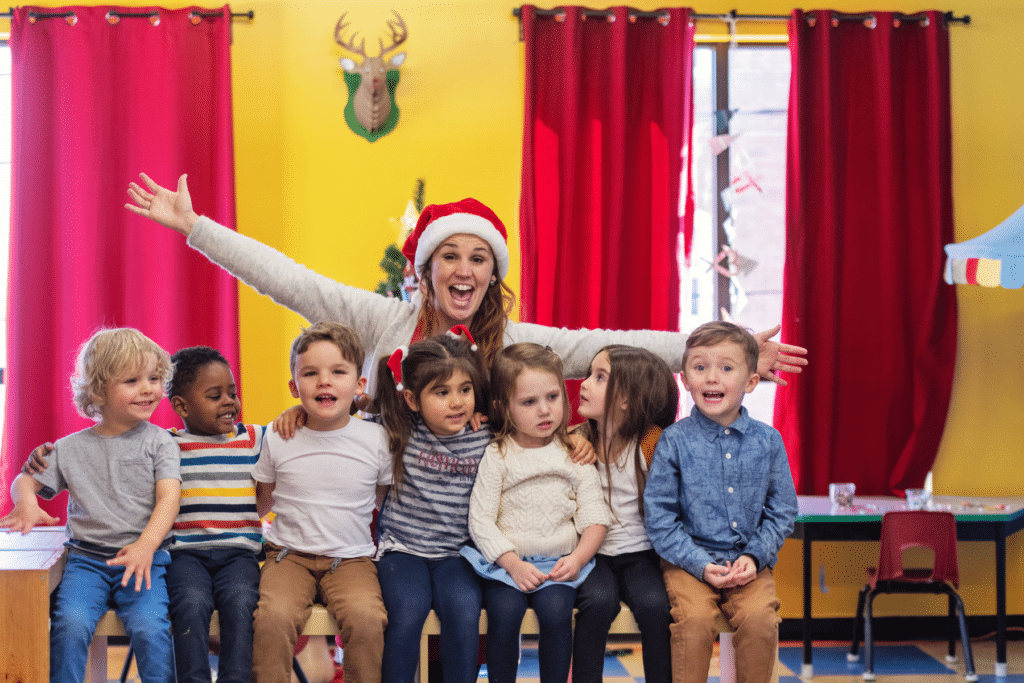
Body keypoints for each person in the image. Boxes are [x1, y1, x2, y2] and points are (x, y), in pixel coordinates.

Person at [124, 173, 808, 397]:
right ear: (425, 269)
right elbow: (288, 280)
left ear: (493, 273)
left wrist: (727, 348)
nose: (463, 269)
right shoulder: (381, 321)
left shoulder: (517, 342)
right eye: (448, 255)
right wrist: (197, 227)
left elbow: (612, 342)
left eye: (478, 258)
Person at [0, 328, 181, 683]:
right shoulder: (68, 448)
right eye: (132, 380)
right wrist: (26, 502)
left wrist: (146, 546)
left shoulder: (161, 443)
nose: (148, 388)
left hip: (143, 560)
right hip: (86, 562)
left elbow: (169, 498)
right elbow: (25, 479)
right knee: (70, 624)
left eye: (155, 378)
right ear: (98, 391)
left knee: (150, 628)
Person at [644, 321, 798, 683]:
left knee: (761, 621)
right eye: (700, 367)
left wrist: (754, 556)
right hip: (687, 563)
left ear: (750, 382)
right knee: (694, 622)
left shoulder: (769, 441)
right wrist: (698, 563)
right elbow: (659, 517)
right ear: (685, 379)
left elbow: (783, 511)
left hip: (749, 564)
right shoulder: (673, 442)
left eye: (726, 368)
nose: (712, 378)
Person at [252, 321, 391, 683]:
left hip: (351, 559)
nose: (324, 381)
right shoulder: (279, 436)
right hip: (288, 556)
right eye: (310, 373)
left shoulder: (375, 439)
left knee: (367, 618)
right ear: (294, 387)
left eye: (338, 372)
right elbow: (262, 502)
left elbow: (381, 500)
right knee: (271, 619)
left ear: (359, 385)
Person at [463, 343, 609, 683]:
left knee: (557, 614)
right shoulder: (497, 454)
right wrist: (511, 563)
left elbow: (594, 517)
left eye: (553, 397)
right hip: (506, 564)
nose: (545, 410)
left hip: (559, 561)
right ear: (503, 406)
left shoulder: (574, 453)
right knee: (504, 612)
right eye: (529, 402)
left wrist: (577, 559)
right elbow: (480, 520)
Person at [372, 329, 492, 683]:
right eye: (442, 393)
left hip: (457, 554)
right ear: (412, 399)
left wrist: (579, 440)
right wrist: (299, 414)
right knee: (407, 612)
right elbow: (337, 426)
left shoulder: (486, 433)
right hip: (402, 550)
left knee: (464, 611)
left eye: (464, 390)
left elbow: (539, 428)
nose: (457, 402)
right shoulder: (396, 429)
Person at [571, 345, 678, 683]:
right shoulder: (575, 439)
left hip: (640, 554)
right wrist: (569, 442)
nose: (584, 383)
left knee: (655, 607)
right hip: (593, 554)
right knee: (598, 603)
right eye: (589, 374)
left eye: (599, 377)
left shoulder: (652, 442)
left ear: (627, 400)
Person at [165, 346, 264, 683]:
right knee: (190, 602)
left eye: (232, 393)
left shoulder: (253, 438)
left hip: (239, 553)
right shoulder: (166, 444)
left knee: (241, 601)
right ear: (181, 406)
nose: (229, 401)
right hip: (185, 554)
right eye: (215, 395)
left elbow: (299, 433)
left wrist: (294, 414)